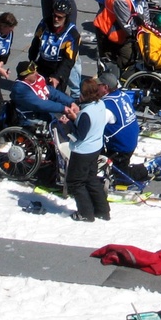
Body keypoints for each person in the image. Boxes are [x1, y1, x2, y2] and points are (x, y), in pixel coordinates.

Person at [61, 78, 111, 222]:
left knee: (75, 182)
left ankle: (86, 213)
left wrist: (68, 124)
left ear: (83, 95)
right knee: (91, 179)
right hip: (95, 147)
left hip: (83, 152)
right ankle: (102, 211)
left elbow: (78, 136)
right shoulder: (100, 104)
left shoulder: (86, 114)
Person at [94, 0, 151, 69]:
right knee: (110, 63)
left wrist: (148, 27)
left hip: (120, 30)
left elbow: (144, 8)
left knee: (128, 57)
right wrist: (141, 36)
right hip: (107, 30)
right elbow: (127, 25)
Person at [98, 70, 146, 182]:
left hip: (121, 148)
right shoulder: (123, 95)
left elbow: (94, 128)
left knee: (119, 176)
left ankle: (147, 169)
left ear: (105, 87)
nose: (96, 87)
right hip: (130, 141)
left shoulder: (107, 107)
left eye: (98, 85)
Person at [29, 0, 82, 98]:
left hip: (58, 67)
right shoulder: (44, 24)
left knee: (54, 98)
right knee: (36, 95)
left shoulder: (72, 34)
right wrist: (32, 64)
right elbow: (35, 45)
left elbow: (69, 61)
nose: (56, 19)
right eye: (54, 15)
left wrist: (57, 77)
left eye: (60, 17)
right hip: (42, 64)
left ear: (66, 17)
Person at [7, 60, 77, 128]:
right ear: (26, 77)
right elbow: (40, 104)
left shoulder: (35, 80)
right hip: (31, 116)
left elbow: (51, 92)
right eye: (33, 73)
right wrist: (63, 108)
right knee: (65, 125)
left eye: (36, 70)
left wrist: (70, 102)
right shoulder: (21, 90)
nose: (36, 73)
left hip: (42, 111)